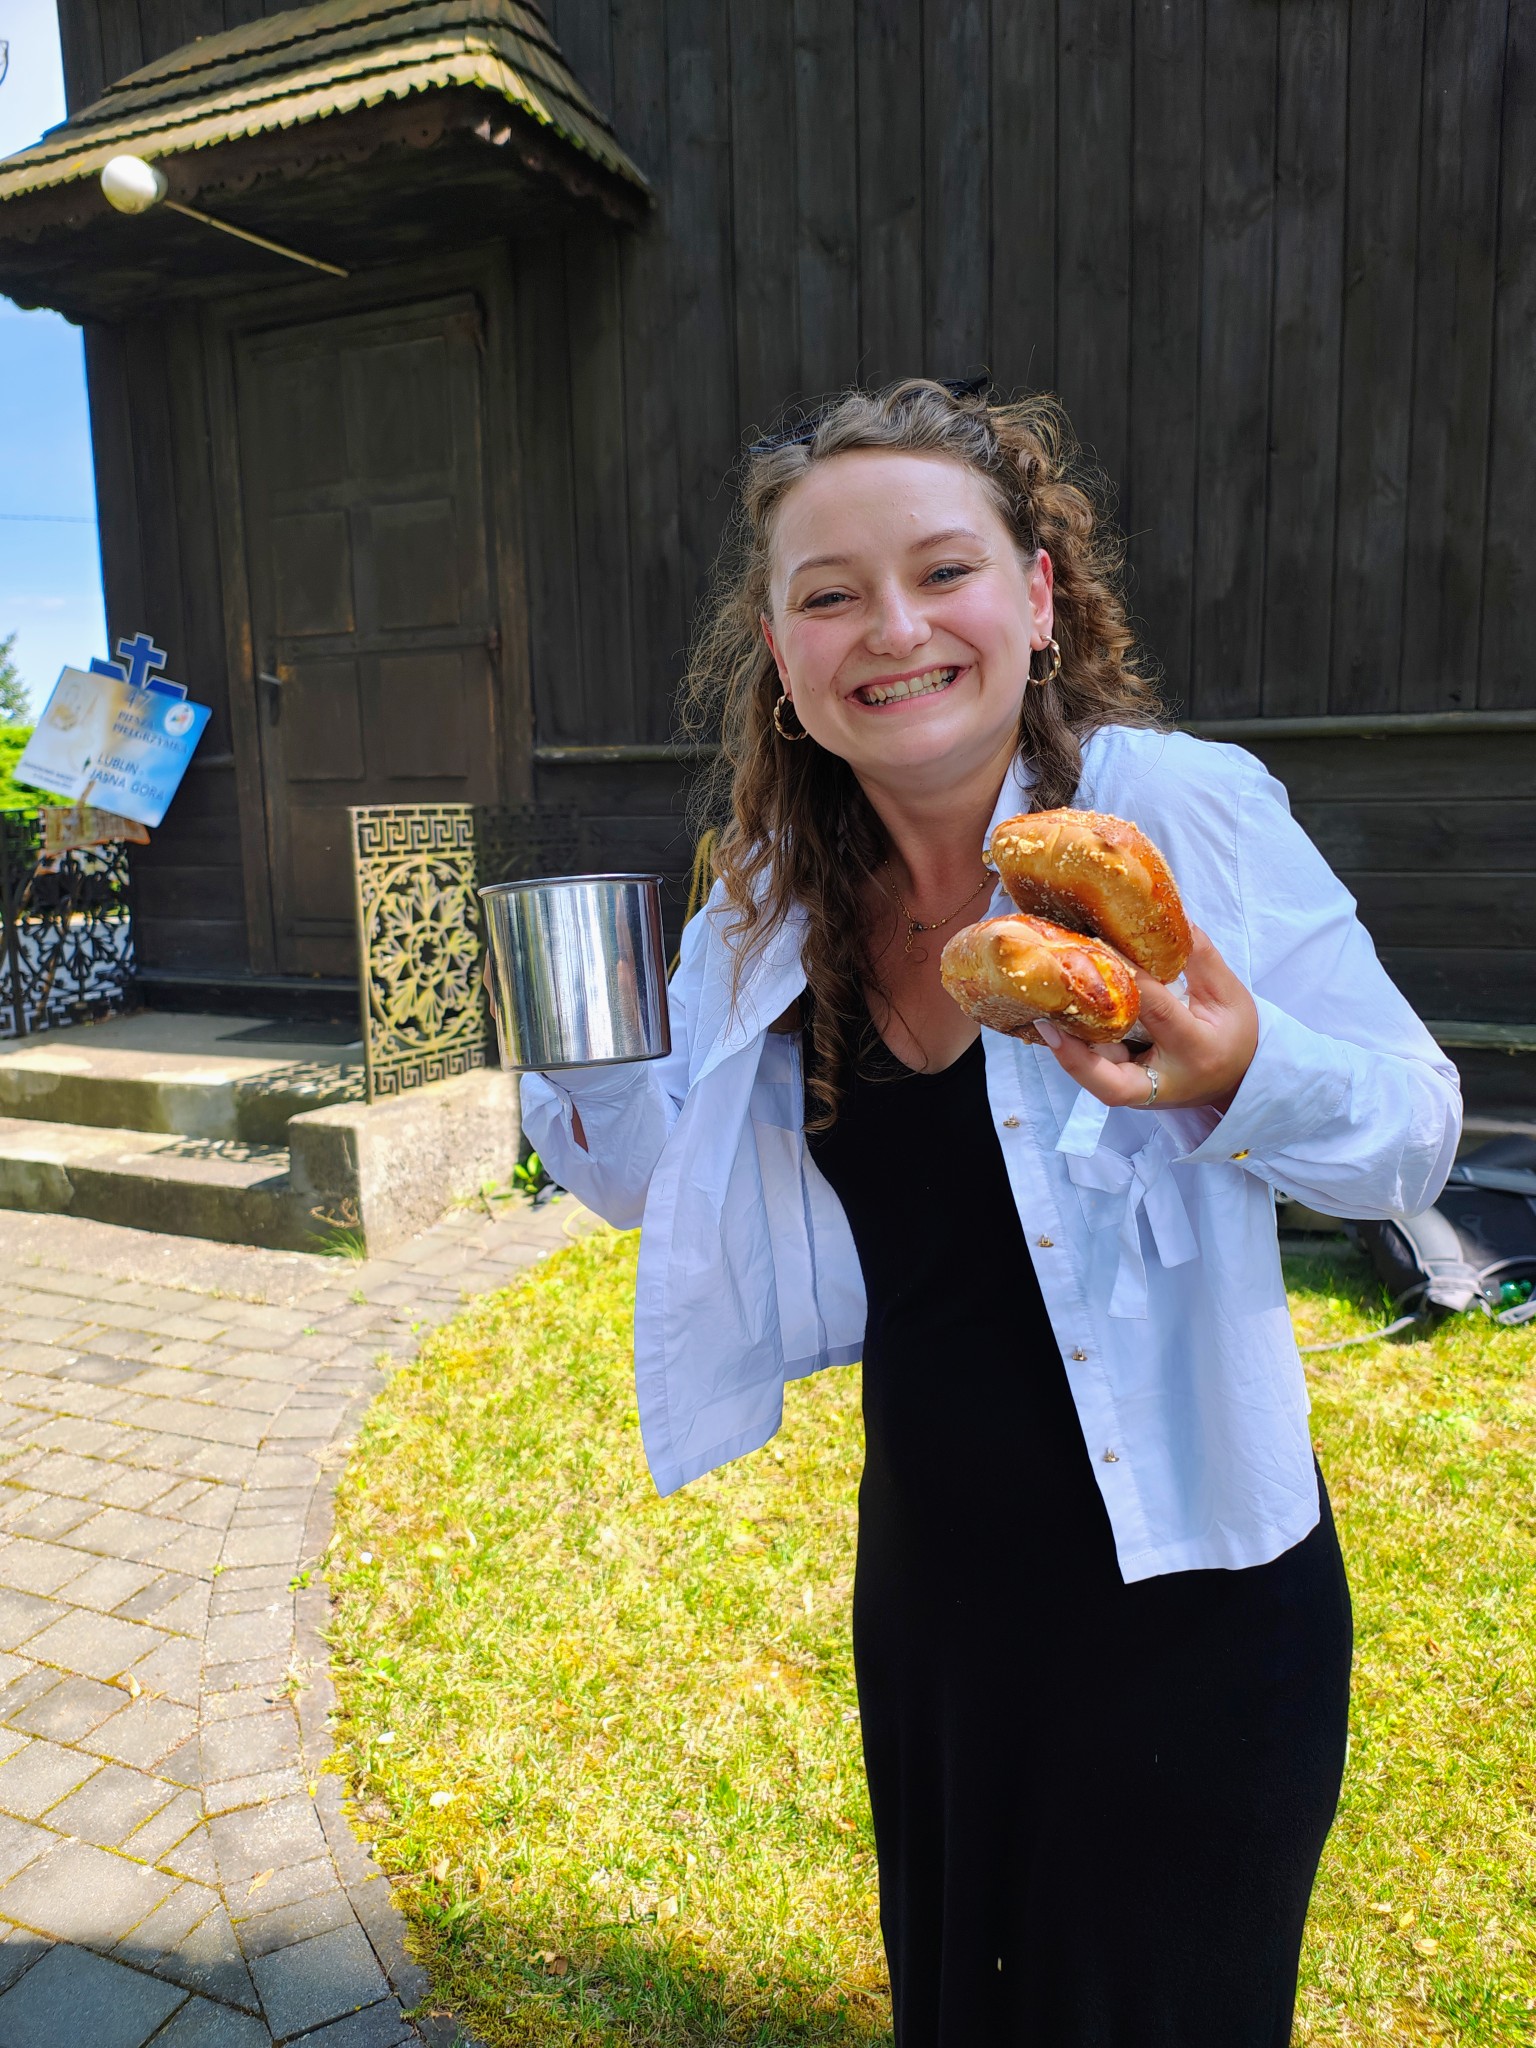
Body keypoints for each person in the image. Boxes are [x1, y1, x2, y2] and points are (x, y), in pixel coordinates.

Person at [521, 378, 1461, 2046]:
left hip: (1189, 1597)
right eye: (830, 596)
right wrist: (568, 1045)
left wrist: (1243, 1068)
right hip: (937, 1600)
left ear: (1036, 598)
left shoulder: (1174, 807)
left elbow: (1413, 1139)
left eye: (943, 571)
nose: (893, 629)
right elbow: (648, 1187)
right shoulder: (765, 901)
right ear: (782, 654)